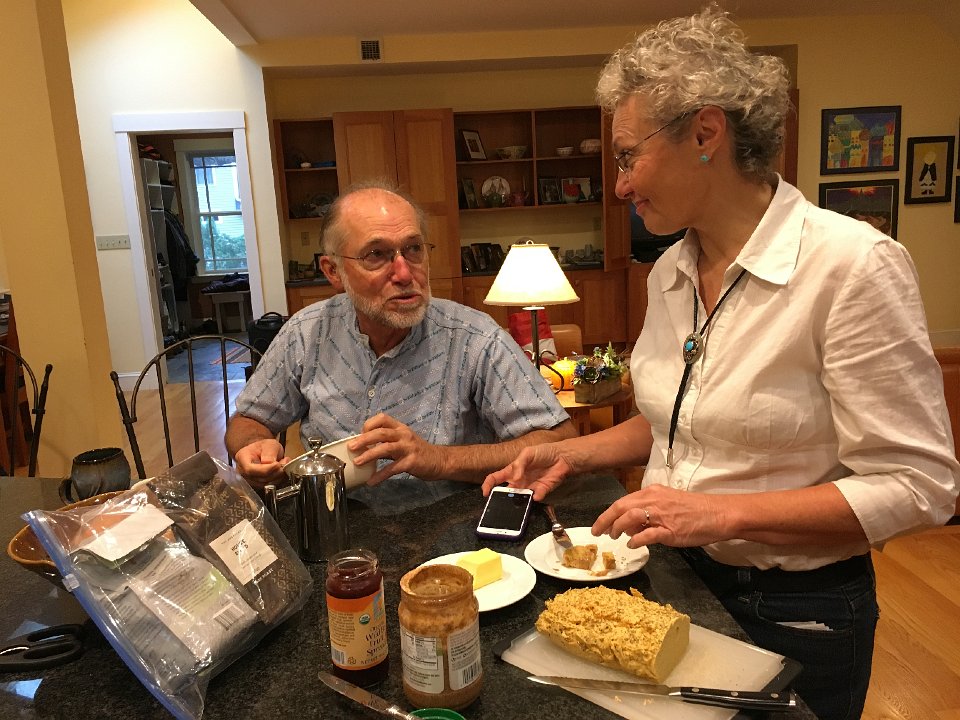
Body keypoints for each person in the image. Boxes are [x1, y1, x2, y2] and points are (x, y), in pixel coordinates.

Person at [482, 7, 959, 720]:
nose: (619, 185)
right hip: (676, 580)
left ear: (706, 134)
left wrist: (716, 513)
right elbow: (677, 420)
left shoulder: (851, 267)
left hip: (797, 609)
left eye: (627, 156)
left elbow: (921, 487)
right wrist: (571, 455)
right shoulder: (669, 272)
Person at [226, 181, 576, 514]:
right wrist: (253, 446)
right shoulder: (306, 332)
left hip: (448, 529)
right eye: (376, 255)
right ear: (333, 271)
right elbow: (249, 419)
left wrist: (440, 460)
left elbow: (559, 441)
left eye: (413, 249)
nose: (405, 273)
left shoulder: (475, 339)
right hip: (331, 521)